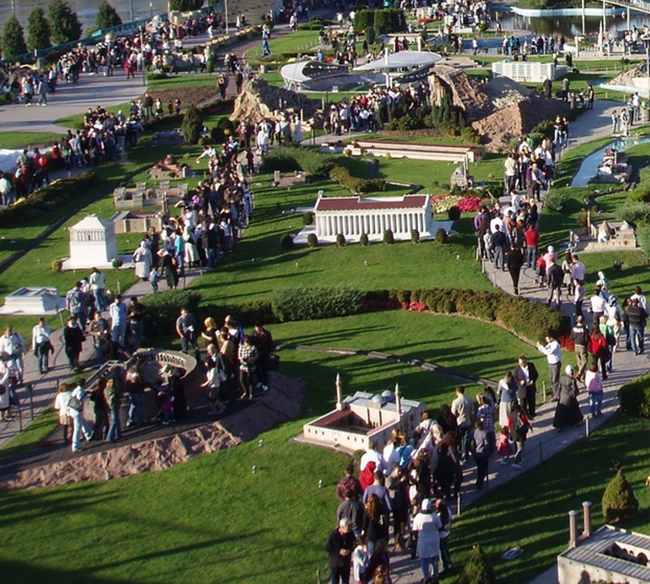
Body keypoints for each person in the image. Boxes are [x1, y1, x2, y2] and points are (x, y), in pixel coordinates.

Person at [412, 498, 443, 581]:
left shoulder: (418, 517)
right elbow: (440, 526)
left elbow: (414, 530)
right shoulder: (434, 516)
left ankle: (426, 576)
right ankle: (435, 575)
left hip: (423, 541)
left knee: (424, 560)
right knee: (434, 559)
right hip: (434, 540)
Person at [553, 365, 583, 429]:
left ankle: (560, 425)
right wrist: (575, 394)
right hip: (570, 398)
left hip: (562, 397)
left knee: (561, 412)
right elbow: (575, 390)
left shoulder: (561, 378)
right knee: (575, 411)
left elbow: (558, 388)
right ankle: (576, 422)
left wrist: (558, 395)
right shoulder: (572, 380)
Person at [326, 518, 355, 584]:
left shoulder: (350, 533)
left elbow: (354, 544)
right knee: (335, 581)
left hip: (346, 563)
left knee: (345, 581)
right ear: (341, 528)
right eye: (347, 529)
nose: (348, 531)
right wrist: (339, 551)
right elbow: (328, 548)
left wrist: (349, 550)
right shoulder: (333, 535)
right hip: (335, 564)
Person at [68, 379, 92, 453]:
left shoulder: (76, 390)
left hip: (73, 410)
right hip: (77, 411)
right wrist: (87, 396)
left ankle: (88, 435)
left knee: (83, 422)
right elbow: (80, 399)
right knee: (77, 429)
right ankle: (75, 446)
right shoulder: (80, 391)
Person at [451, 385, 474, 461]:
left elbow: (453, 414)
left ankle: (460, 455)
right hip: (468, 421)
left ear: (457, 392)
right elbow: (472, 412)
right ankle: (466, 454)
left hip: (459, 423)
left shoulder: (455, 402)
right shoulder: (469, 400)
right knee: (466, 440)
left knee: (459, 440)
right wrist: (472, 421)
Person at [537, 334, 562, 399]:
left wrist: (541, 347)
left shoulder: (555, 344)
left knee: (555, 380)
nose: (546, 340)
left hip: (555, 364)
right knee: (551, 379)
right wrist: (539, 347)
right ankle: (554, 393)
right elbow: (545, 350)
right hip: (551, 364)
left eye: (547, 339)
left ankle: (557, 395)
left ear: (551, 338)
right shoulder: (550, 344)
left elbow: (549, 352)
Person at [203, 343, 226, 415]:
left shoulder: (214, 369)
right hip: (210, 386)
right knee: (210, 399)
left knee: (213, 398)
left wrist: (204, 384)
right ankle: (214, 410)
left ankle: (222, 407)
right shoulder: (209, 370)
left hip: (215, 386)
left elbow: (211, 379)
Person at [507, 402, 531, 469]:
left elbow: (509, 424)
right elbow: (525, 420)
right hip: (520, 432)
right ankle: (516, 461)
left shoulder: (511, 413)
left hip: (513, 431)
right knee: (520, 448)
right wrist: (529, 426)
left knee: (516, 445)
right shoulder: (520, 412)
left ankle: (519, 458)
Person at [125, 358, 147, 427]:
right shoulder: (138, 372)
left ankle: (129, 421)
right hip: (138, 391)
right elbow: (141, 382)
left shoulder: (129, 370)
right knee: (141, 406)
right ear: (141, 364)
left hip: (131, 391)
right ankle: (140, 422)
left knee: (133, 406)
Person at [238, 335, 261, 400]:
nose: (247, 344)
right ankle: (246, 391)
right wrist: (241, 358)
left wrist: (251, 358)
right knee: (242, 380)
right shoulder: (241, 347)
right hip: (243, 366)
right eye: (246, 342)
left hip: (250, 366)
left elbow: (257, 355)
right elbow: (239, 356)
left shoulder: (253, 348)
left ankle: (251, 393)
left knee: (250, 380)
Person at [471, 420, 491, 490]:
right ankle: (480, 483)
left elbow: (470, 442)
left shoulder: (474, 432)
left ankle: (478, 481)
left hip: (476, 453)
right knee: (484, 469)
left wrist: (472, 450)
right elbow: (487, 444)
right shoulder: (484, 433)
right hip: (483, 453)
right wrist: (488, 452)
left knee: (479, 469)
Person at [104, 373, 123, 443]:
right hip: (115, 406)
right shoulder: (115, 389)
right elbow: (121, 395)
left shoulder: (106, 390)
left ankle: (118, 434)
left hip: (108, 406)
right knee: (114, 421)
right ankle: (109, 437)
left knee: (116, 420)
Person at [570, 315, 590, 382]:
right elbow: (586, 339)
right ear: (583, 321)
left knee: (579, 362)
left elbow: (571, 337)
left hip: (576, 345)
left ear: (577, 320)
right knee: (584, 361)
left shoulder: (574, 328)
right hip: (582, 346)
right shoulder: (584, 329)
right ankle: (579, 375)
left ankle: (582, 376)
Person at [436, 498, 453, 573]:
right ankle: (449, 562)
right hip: (446, 533)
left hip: (440, 535)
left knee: (441, 551)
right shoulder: (447, 511)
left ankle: (444, 566)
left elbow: (438, 526)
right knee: (445, 548)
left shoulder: (438, 515)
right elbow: (450, 519)